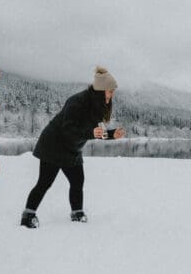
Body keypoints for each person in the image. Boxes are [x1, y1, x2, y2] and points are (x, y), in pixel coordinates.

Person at [21, 66, 125, 228]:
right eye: (110, 91)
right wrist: (91, 132)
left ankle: (77, 213)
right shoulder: (77, 101)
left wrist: (112, 135)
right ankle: (28, 216)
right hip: (53, 145)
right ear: (101, 90)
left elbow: (97, 132)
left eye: (113, 92)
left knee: (77, 181)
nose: (112, 95)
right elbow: (68, 129)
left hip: (72, 149)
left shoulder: (97, 106)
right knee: (44, 182)